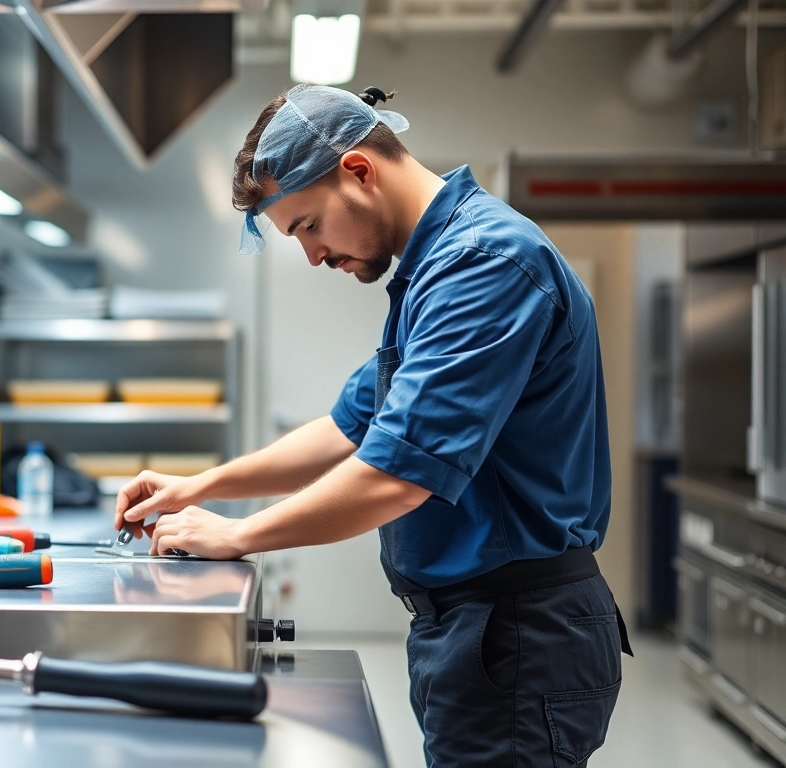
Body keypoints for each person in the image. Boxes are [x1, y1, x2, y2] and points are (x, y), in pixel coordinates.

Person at [113, 84, 631, 767]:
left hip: (518, 633)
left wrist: (237, 534)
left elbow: (397, 473)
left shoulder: (483, 265)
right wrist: (197, 487)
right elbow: (346, 430)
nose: (314, 256)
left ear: (359, 171)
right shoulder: (433, 273)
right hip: (479, 628)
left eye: (307, 226)